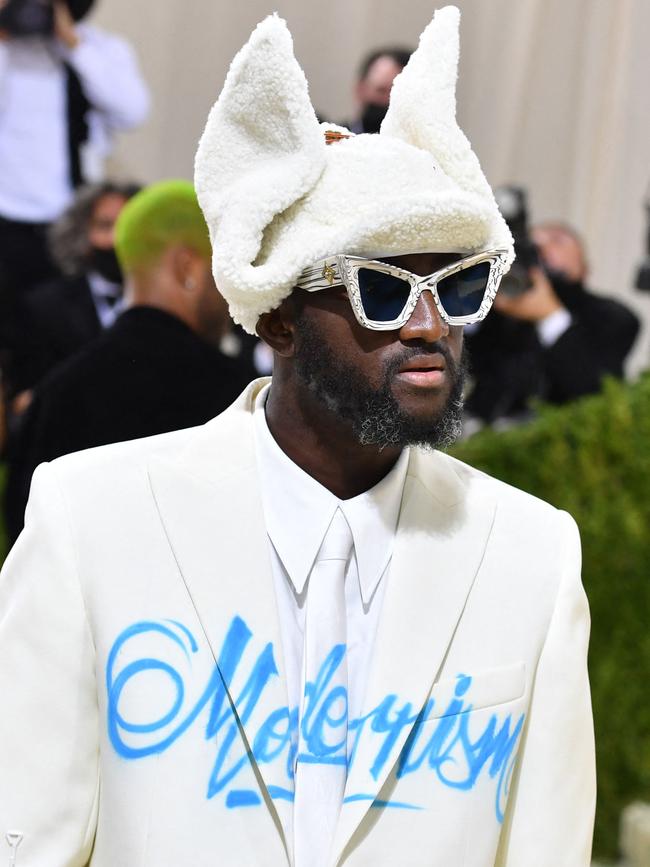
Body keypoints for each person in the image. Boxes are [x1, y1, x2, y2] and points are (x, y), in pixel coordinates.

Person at [0, 8, 595, 867]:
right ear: (278, 317)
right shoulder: (90, 517)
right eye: (381, 292)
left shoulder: (532, 553)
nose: (428, 324)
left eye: (457, 286)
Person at [3, 179, 256, 541]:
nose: (230, 294)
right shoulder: (236, 399)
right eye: (224, 270)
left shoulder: (58, 392)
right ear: (188, 269)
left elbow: (25, 536)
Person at [0, 0, 149, 345]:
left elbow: (132, 111)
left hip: (66, 221)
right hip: (4, 217)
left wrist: (73, 43)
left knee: (56, 331)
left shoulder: (98, 48)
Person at [465, 219, 640, 423]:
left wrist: (549, 316)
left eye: (557, 240)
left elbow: (595, 393)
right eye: (534, 243)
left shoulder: (612, 317)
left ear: (584, 268)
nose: (541, 246)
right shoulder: (501, 315)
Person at [6, 180, 140, 404]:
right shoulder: (44, 307)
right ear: (82, 233)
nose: (116, 238)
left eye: (127, 226)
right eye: (105, 226)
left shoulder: (164, 302)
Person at [345, 45, 411, 134]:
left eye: (398, 94)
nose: (389, 100)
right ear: (360, 89)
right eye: (381, 91)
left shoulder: (422, 146)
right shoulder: (333, 141)